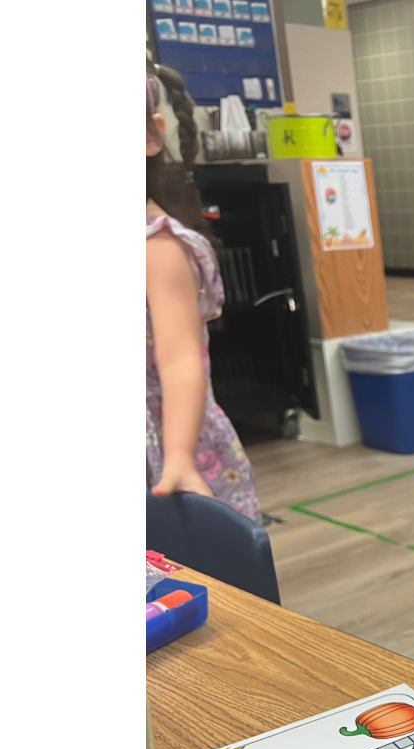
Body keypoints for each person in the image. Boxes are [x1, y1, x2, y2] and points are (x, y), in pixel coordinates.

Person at [146, 66, 262, 521]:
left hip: (165, 442)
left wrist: (177, 456)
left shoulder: (156, 247)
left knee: (183, 580)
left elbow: (178, 359)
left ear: (151, 136)